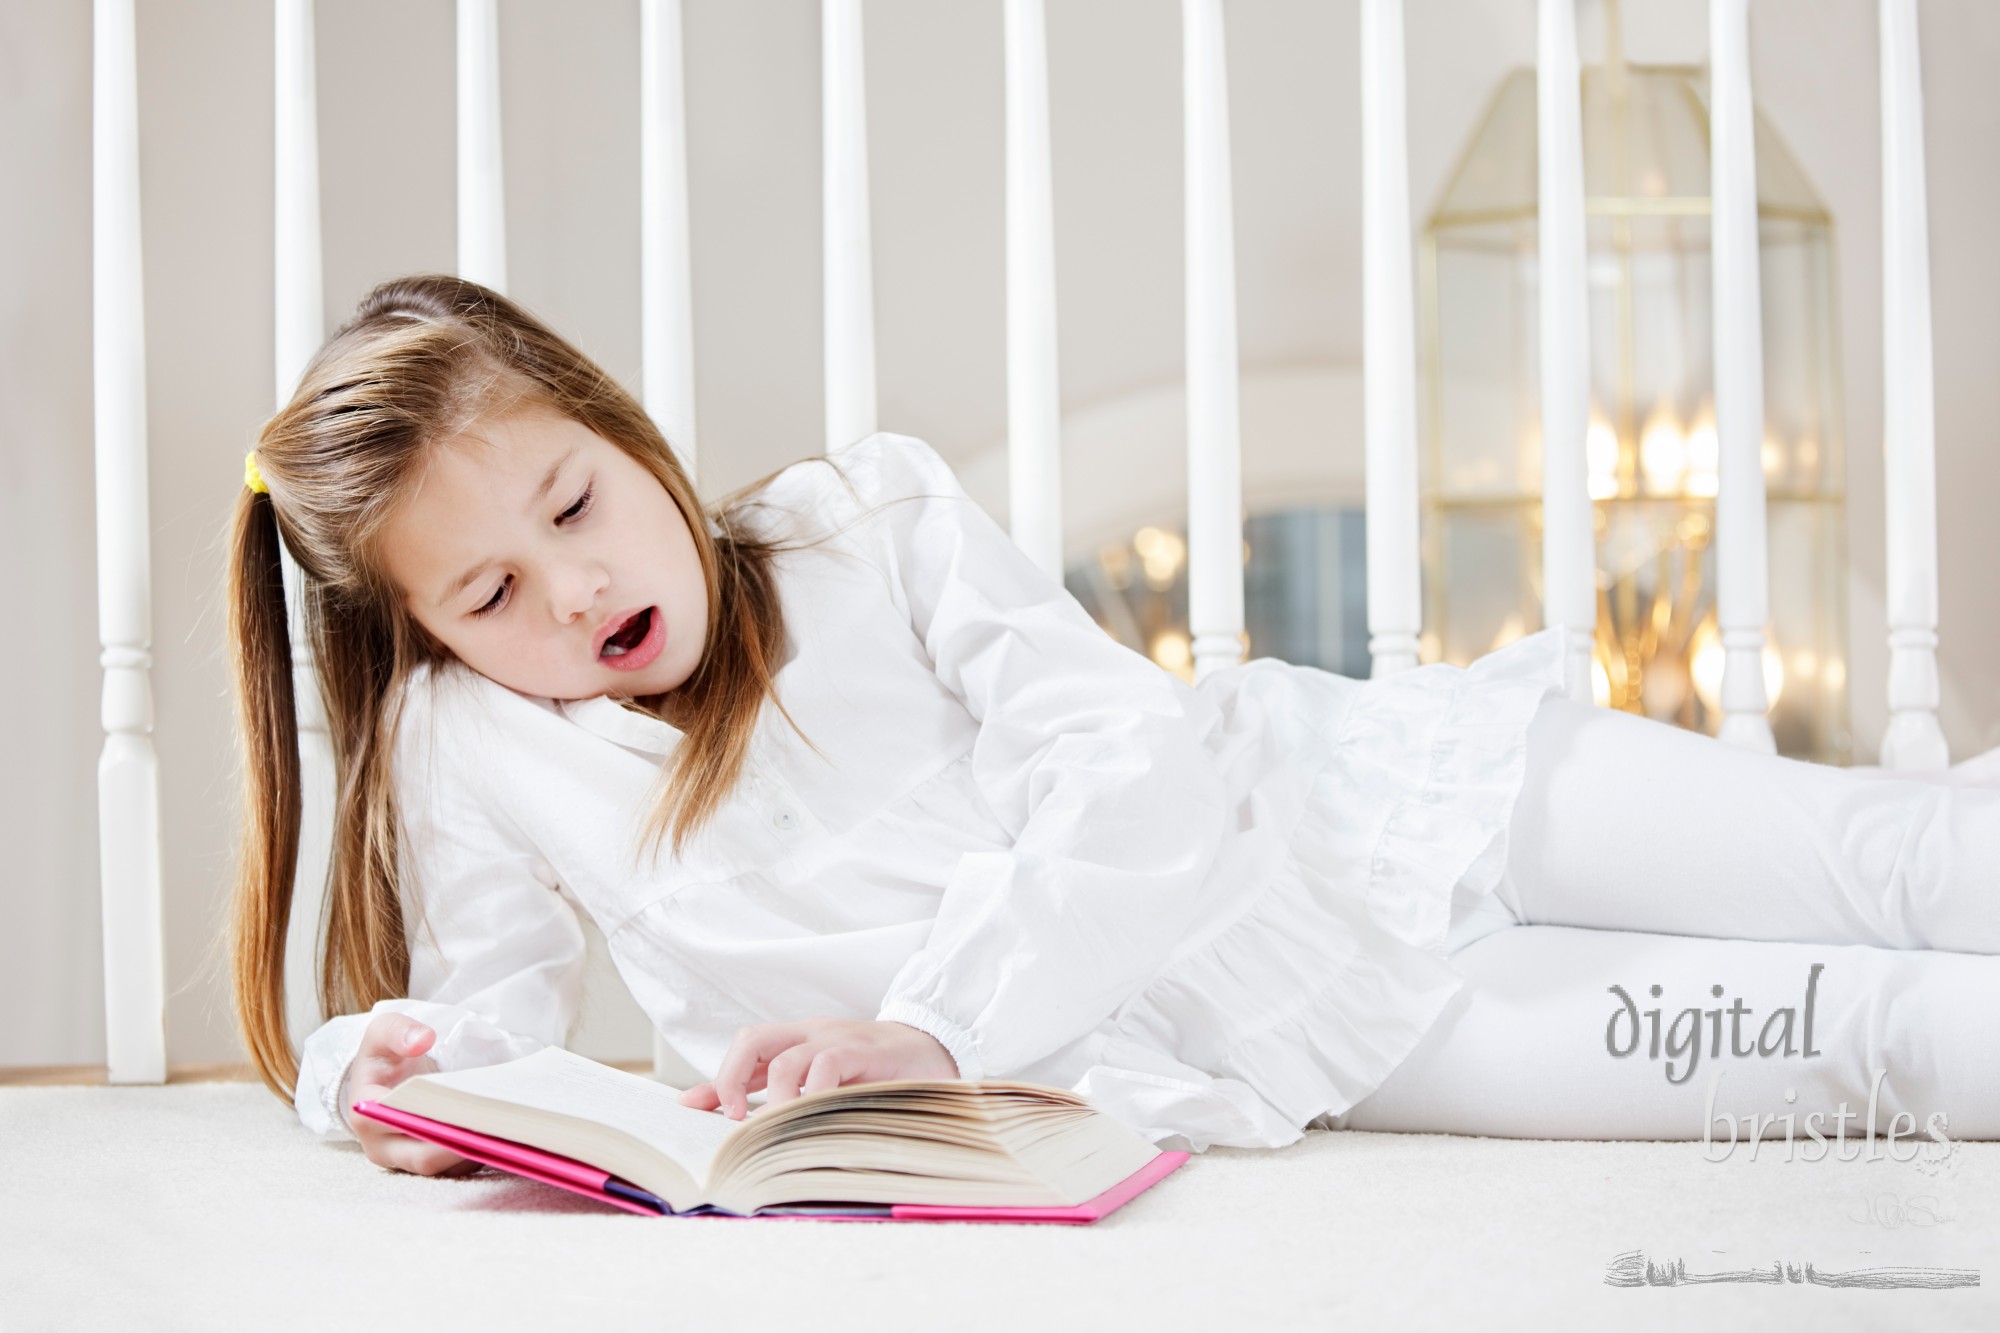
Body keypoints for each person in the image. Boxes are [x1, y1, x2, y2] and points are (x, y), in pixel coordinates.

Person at [229, 274, 2000, 1178]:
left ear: (623, 431)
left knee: (1892, 853)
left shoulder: (865, 524)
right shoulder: (488, 748)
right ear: (424, 642)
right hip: (1315, 1021)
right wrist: (404, 1081)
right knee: (1879, 1047)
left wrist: (931, 1022)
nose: (567, 587)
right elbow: (494, 1013)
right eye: (485, 598)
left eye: (575, 501)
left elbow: (1131, 764)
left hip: (1368, 802)